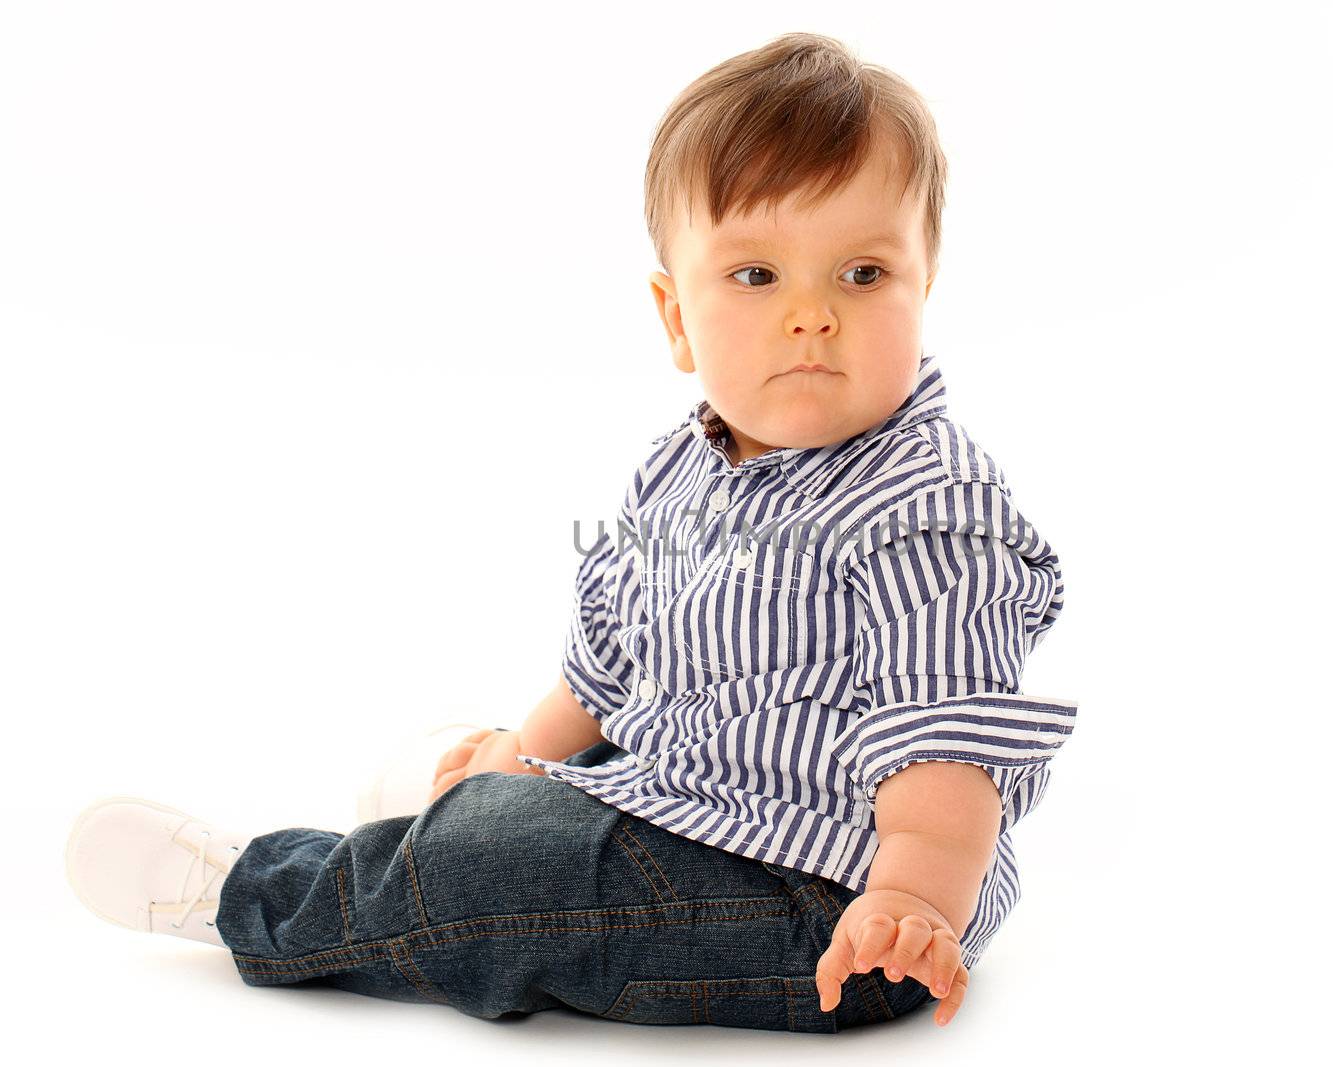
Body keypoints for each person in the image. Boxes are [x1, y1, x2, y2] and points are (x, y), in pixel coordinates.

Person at [63, 31, 1078, 1033]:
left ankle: (271, 897)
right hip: (695, 794)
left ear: (923, 284)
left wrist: (912, 904)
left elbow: (945, 748)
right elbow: (608, 664)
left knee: (500, 866)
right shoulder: (683, 464)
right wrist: (521, 748)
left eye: (861, 274)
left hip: (823, 902)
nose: (811, 314)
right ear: (674, 314)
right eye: (757, 276)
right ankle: (466, 797)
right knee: (556, 776)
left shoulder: (930, 509)